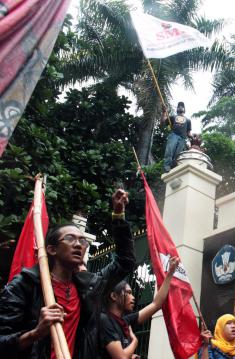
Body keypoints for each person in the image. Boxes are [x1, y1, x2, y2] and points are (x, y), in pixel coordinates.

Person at [0, 189, 135, 359]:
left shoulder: (89, 287)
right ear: (52, 249)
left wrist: (118, 215)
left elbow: (126, 261)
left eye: (82, 240)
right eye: (70, 239)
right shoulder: (24, 285)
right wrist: (36, 333)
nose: (78, 245)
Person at [100, 256, 180, 359]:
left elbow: (156, 304)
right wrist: (135, 341)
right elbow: (121, 357)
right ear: (114, 296)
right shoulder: (104, 320)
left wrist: (170, 273)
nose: (133, 298)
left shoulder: (125, 322)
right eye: (128, 293)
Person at [162, 101, 192, 172]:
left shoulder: (188, 120)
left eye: (182, 106)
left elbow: (188, 133)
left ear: (184, 110)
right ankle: (167, 166)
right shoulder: (173, 117)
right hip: (174, 135)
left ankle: (173, 168)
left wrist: (194, 137)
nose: (180, 107)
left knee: (178, 155)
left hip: (182, 138)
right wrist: (164, 112)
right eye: (179, 106)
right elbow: (163, 122)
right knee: (169, 151)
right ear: (177, 109)